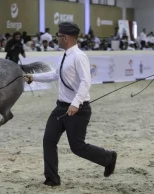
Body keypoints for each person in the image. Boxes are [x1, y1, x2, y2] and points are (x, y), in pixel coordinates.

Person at [23, 22, 117, 186]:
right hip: (61, 107)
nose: (56, 39)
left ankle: (109, 158)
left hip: (78, 109)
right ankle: (52, 179)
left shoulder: (79, 57)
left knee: (77, 147)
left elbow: (85, 82)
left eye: (58, 36)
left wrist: (75, 104)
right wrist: (34, 77)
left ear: (65, 38)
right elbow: (55, 74)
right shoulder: (66, 55)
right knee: (49, 140)